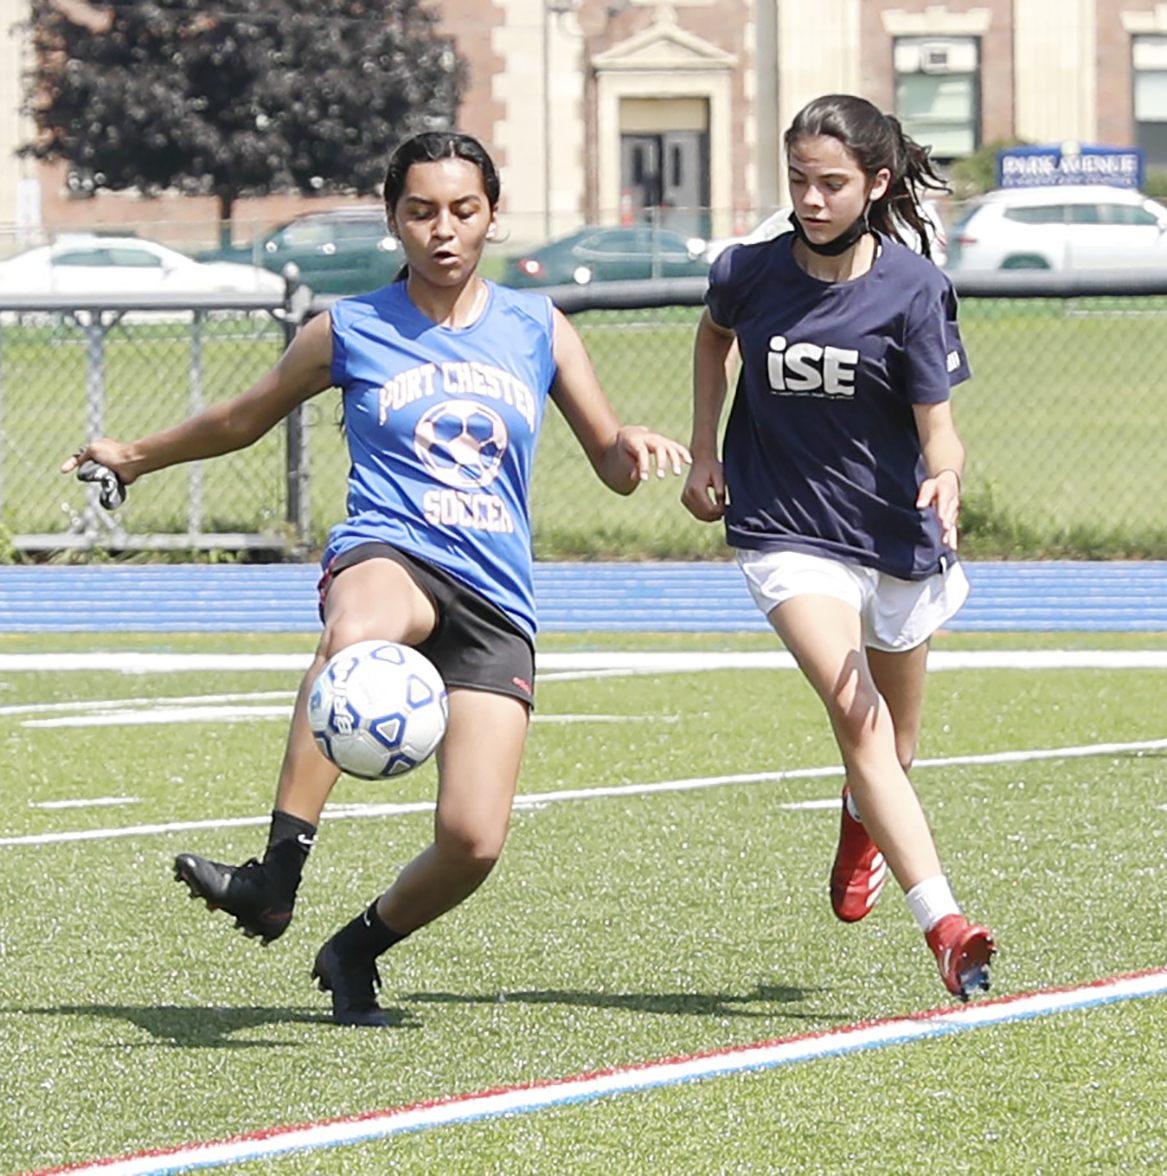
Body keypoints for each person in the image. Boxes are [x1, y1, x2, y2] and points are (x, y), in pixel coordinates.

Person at [63, 130, 690, 1026]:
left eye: (463, 210)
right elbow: (241, 418)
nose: (443, 230)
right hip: (391, 549)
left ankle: (355, 947)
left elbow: (612, 465)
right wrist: (134, 455)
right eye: (421, 211)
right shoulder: (348, 328)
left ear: (493, 216)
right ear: (394, 220)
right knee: (356, 634)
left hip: (494, 597)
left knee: (472, 842)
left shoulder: (539, 327)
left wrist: (632, 444)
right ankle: (275, 877)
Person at [680, 94, 996, 1001]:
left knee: (894, 747)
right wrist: (704, 447)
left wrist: (946, 476)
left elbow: (938, 429)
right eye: (797, 181)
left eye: (829, 183)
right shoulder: (747, 271)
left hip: (893, 532)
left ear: (876, 183)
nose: (810, 200)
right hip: (785, 531)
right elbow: (714, 337)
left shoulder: (913, 289)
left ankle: (861, 814)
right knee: (857, 717)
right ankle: (945, 925)